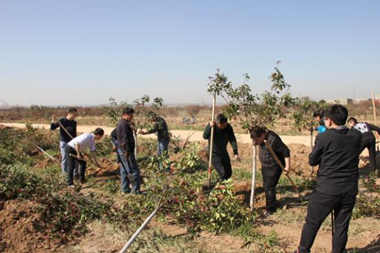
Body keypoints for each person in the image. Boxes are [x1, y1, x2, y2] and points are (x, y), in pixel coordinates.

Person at [296, 105, 362, 253]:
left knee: (312, 223)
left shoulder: (324, 137)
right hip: (349, 189)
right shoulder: (356, 135)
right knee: (341, 225)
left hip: (327, 189)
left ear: (329, 121)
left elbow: (312, 161)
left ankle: (303, 250)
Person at [250, 126, 290, 215]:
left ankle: (271, 209)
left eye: (257, 140)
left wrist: (287, 167)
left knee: (269, 187)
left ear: (261, 136)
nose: (256, 142)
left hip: (274, 166)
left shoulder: (273, 140)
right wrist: (255, 142)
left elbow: (286, 151)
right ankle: (272, 203)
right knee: (266, 186)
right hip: (265, 166)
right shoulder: (260, 137)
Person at [203, 114, 240, 182]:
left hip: (223, 152)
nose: (224, 126)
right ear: (218, 123)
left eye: (225, 124)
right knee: (223, 173)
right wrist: (209, 126)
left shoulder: (228, 127)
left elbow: (232, 139)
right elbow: (205, 136)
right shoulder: (213, 126)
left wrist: (235, 153)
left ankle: (222, 185)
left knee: (229, 173)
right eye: (222, 125)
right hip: (214, 154)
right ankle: (219, 187)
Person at [117, 108, 141, 194]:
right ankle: (135, 190)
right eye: (131, 115)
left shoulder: (122, 123)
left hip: (122, 150)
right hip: (126, 151)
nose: (132, 117)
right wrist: (127, 151)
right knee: (134, 170)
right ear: (125, 114)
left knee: (124, 169)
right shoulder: (124, 125)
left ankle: (125, 189)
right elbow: (125, 140)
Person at [50, 108, 78, 174]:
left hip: (72, 142)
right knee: (65, 158)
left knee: (74, 158)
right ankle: (64, 174)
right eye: (74, 114)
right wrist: (53, 120)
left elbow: (74, 134)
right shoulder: (62, 120)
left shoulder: (74, 123)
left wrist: (76, 141)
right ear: (70, 113)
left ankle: (74, 174)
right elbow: (52, 127)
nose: (75, 116)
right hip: (64, 142)